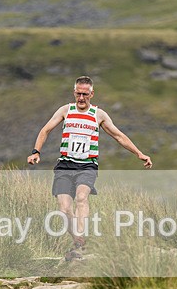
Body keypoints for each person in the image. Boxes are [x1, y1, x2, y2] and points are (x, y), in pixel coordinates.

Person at [27, 75, 153, 260]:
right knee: (64, 209)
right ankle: (78, 240)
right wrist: (36, 151)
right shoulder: (65, 110)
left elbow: (119, 136)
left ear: (92, 94)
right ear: (74, 92)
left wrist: (139, 153)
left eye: (85, 94)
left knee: (81, 197)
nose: (81, 98)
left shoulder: (98, 115)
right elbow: (45, 130)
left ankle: (80, 239)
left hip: (87, 165)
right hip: (65, 165)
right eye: (78, 94)